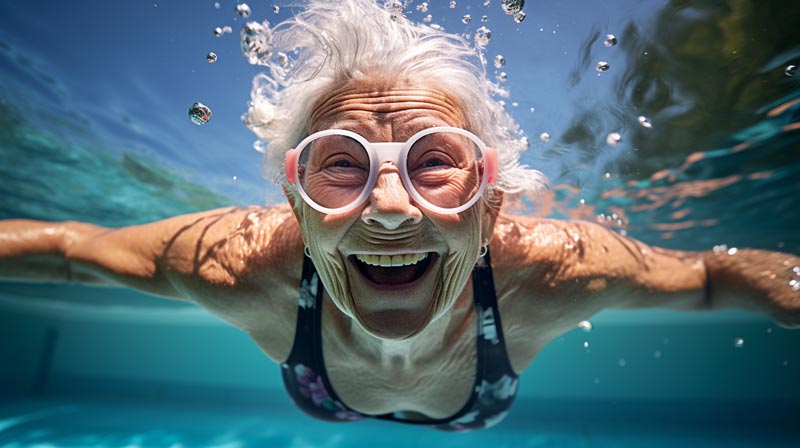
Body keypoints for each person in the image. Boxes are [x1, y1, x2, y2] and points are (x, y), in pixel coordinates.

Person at [0, 0, 797, 432]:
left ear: (491, 200)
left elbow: (707, 274)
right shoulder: (242, 263)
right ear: (293, 197)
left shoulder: (555, 267)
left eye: (435, 162)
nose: (386, 209)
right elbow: (71, 248)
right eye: (342, 164)